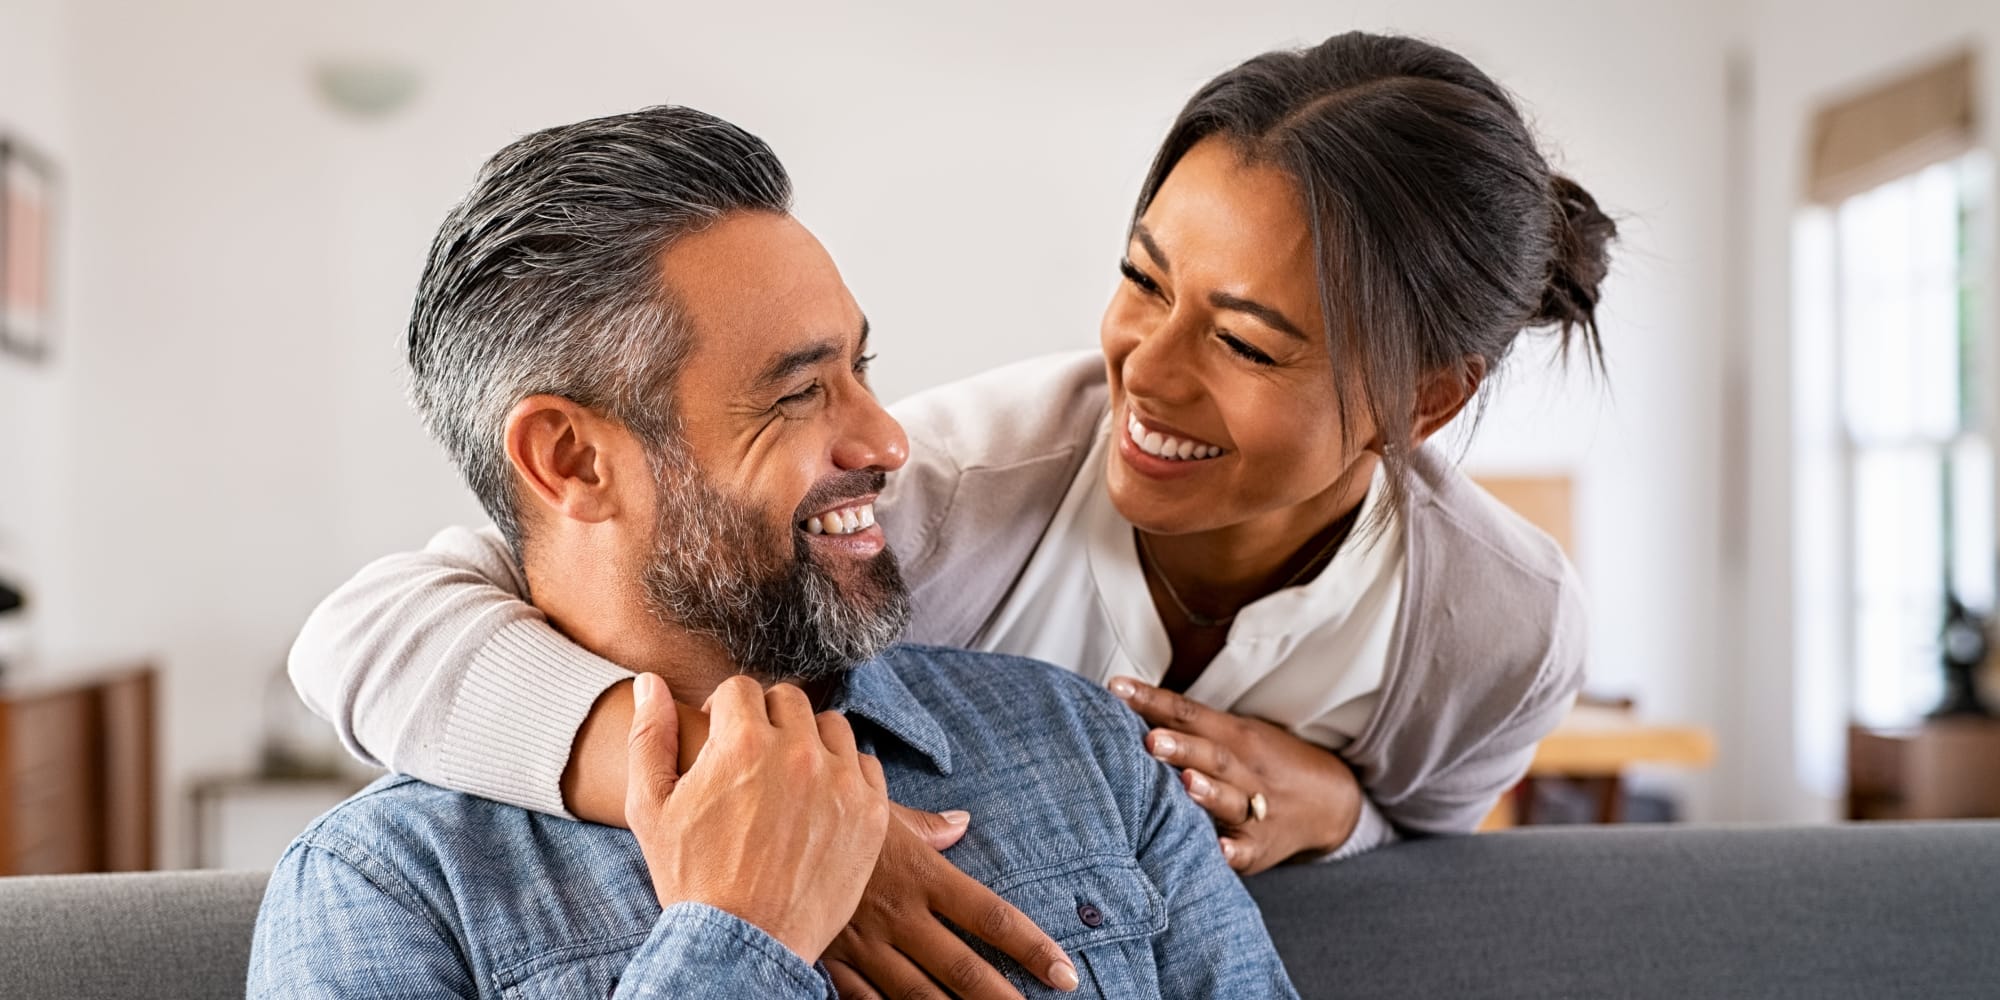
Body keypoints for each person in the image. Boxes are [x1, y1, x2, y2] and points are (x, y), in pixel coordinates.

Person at [293, 30, 1608, 996]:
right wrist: (740, 813)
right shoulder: (958, 489)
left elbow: (1426, 844)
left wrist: (1339, 805)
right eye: (1141, 281)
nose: (1142, 372)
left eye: (1250, 344)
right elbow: (408, 617)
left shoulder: (1479, 629)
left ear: (1418, 406)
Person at [248, 105, 1298, 999]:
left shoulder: (1081, 745)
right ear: (570, 460)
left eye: (860, 367)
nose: (886, 442)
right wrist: (733, 935)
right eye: (797, 393)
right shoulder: (386, 888)